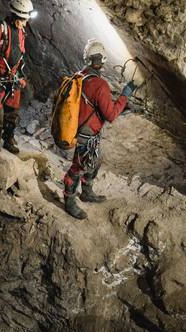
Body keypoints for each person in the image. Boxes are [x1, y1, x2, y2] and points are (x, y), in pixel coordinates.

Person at [62, 40, 136, 219]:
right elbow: (110, 115)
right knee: (77, 167)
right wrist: (124, 96)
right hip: (86, 133)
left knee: (96, 159)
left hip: (82, 129)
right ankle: (69, 202)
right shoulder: (100, 84)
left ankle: (87, 192)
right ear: (99, 60)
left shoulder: (80, 76)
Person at [0, 0, 36, 154]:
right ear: (15, 15)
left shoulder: (21, 32)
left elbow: (20, 56)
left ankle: (9, 138)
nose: (24, 24)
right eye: (22, 20)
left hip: (13, 77)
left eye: (26, 20)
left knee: (13, 110)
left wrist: (21, 75)